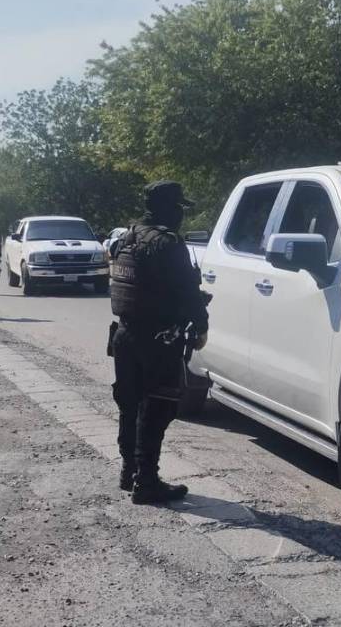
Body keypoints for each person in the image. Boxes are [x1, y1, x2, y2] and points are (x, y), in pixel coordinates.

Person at [110, 180, 209, 504]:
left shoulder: (127, 237)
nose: (181, 213)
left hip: (125, 334)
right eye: (179, 206)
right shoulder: (168, 243)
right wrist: (201, 325)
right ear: (171, 208)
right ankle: (147, 482)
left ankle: (129, 471)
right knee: (157, 407)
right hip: (158, 338)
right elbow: (187, 291)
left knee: (130, 404)